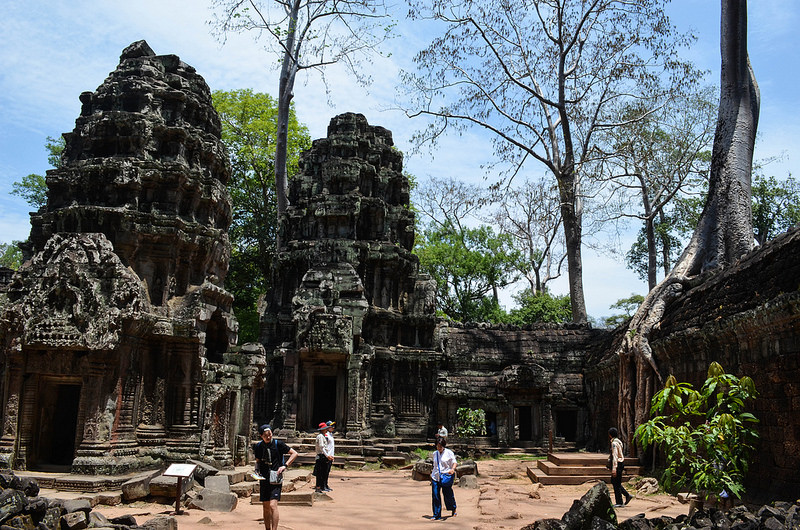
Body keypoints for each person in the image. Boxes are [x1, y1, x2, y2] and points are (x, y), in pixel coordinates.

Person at [253, 424, 298, 530]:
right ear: (261, 436)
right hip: (264, 478)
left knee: (273, 505)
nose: (268, 437)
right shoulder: (259, 446)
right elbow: (258, 461)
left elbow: (294, 453)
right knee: (266, 506)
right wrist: (256, 471)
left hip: (275, 478)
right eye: (265, 435)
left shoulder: (278, 444)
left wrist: (285, 465)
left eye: (269, 434)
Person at [430, 436, 457, 520]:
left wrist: (452, 469)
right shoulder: (435, 453)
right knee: (435, 495)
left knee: (448, 494)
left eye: (440, 447)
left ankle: (453, 508)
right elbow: (434, 465)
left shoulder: (449, 452)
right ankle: (436, 514)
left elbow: (454, 462)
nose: (439, 448)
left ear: (443, 446)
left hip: (446, 476)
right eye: (437, 446)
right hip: (436, 476)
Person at [608, 427, 633, 508]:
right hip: (621, 463)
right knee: (615, 482)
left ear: (610, 435)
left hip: (617, 464)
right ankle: (627, 495)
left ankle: (619, 502)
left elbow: (615, 456)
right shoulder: (619, 442)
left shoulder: (614, 443)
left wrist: (614, 468)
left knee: (616, 482)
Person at [322, 420, 335, 491]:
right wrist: (327, 455)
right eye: (331, 426)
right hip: (327, 456)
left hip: (330, 456)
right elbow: (324, 447)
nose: (333, 427)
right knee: (324, 471)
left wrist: (332, 456)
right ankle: (323, 485)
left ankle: (326, 485)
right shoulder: (326, 435)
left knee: (327, 472)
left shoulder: (330, 435)